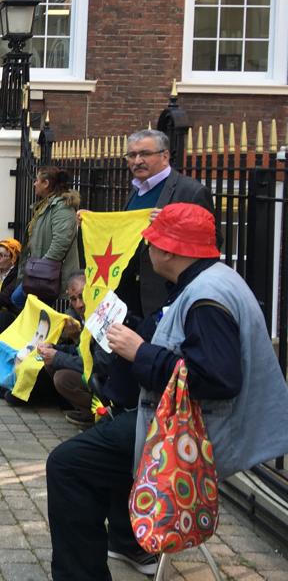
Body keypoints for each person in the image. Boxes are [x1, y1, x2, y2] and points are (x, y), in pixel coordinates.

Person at [46, 203, 288, 580]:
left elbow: (216, 379)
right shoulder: (211, 280)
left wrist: (140, 352)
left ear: (171, 251)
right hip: (183, 424)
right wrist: (137, 332)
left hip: (195, 436)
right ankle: (126, 542)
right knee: (105, 443)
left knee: (68, 465)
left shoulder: (207, 297)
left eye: (153, 244)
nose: (149, 250)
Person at [116, 128, 217, 319]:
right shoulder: (136, 190)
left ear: (165, 156)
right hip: (130, 297)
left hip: (166, 295)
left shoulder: (191, 191)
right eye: (132, 155)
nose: (137, 161)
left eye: (145, 154)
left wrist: (172, 223)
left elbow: (211, 244)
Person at [11, 166, 80, 311]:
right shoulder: (46, 205)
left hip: (49, 274)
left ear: (46, 183)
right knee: (29, 305)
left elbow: (61, 243)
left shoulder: (62, 207)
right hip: (40, 270)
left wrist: (41, 270)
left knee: (19, 300)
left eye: (37, 180)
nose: (34, 184)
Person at [37, 272, 92, 426]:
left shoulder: (99, 317)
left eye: (82, 296)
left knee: (62, 378)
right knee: (49, 361)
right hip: (88, 371)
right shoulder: (75, 318)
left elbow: (92, 363)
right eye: (74, 299)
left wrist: (58, 355)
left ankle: (93, 413)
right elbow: (78, 350)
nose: (79, 304)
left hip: (102, 378)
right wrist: (54, 348)